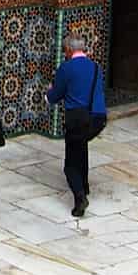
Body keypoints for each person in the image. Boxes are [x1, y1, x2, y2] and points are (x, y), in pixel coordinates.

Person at [46, 34, 107, 218]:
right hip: (97, 119)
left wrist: (49, 91)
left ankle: (80, 197)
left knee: (70, 164)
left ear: (69, 50)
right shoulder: (96, 67)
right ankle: (85, 185)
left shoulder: (66, 68)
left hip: (77, 119)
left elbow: (54, 96)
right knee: (82, 148)